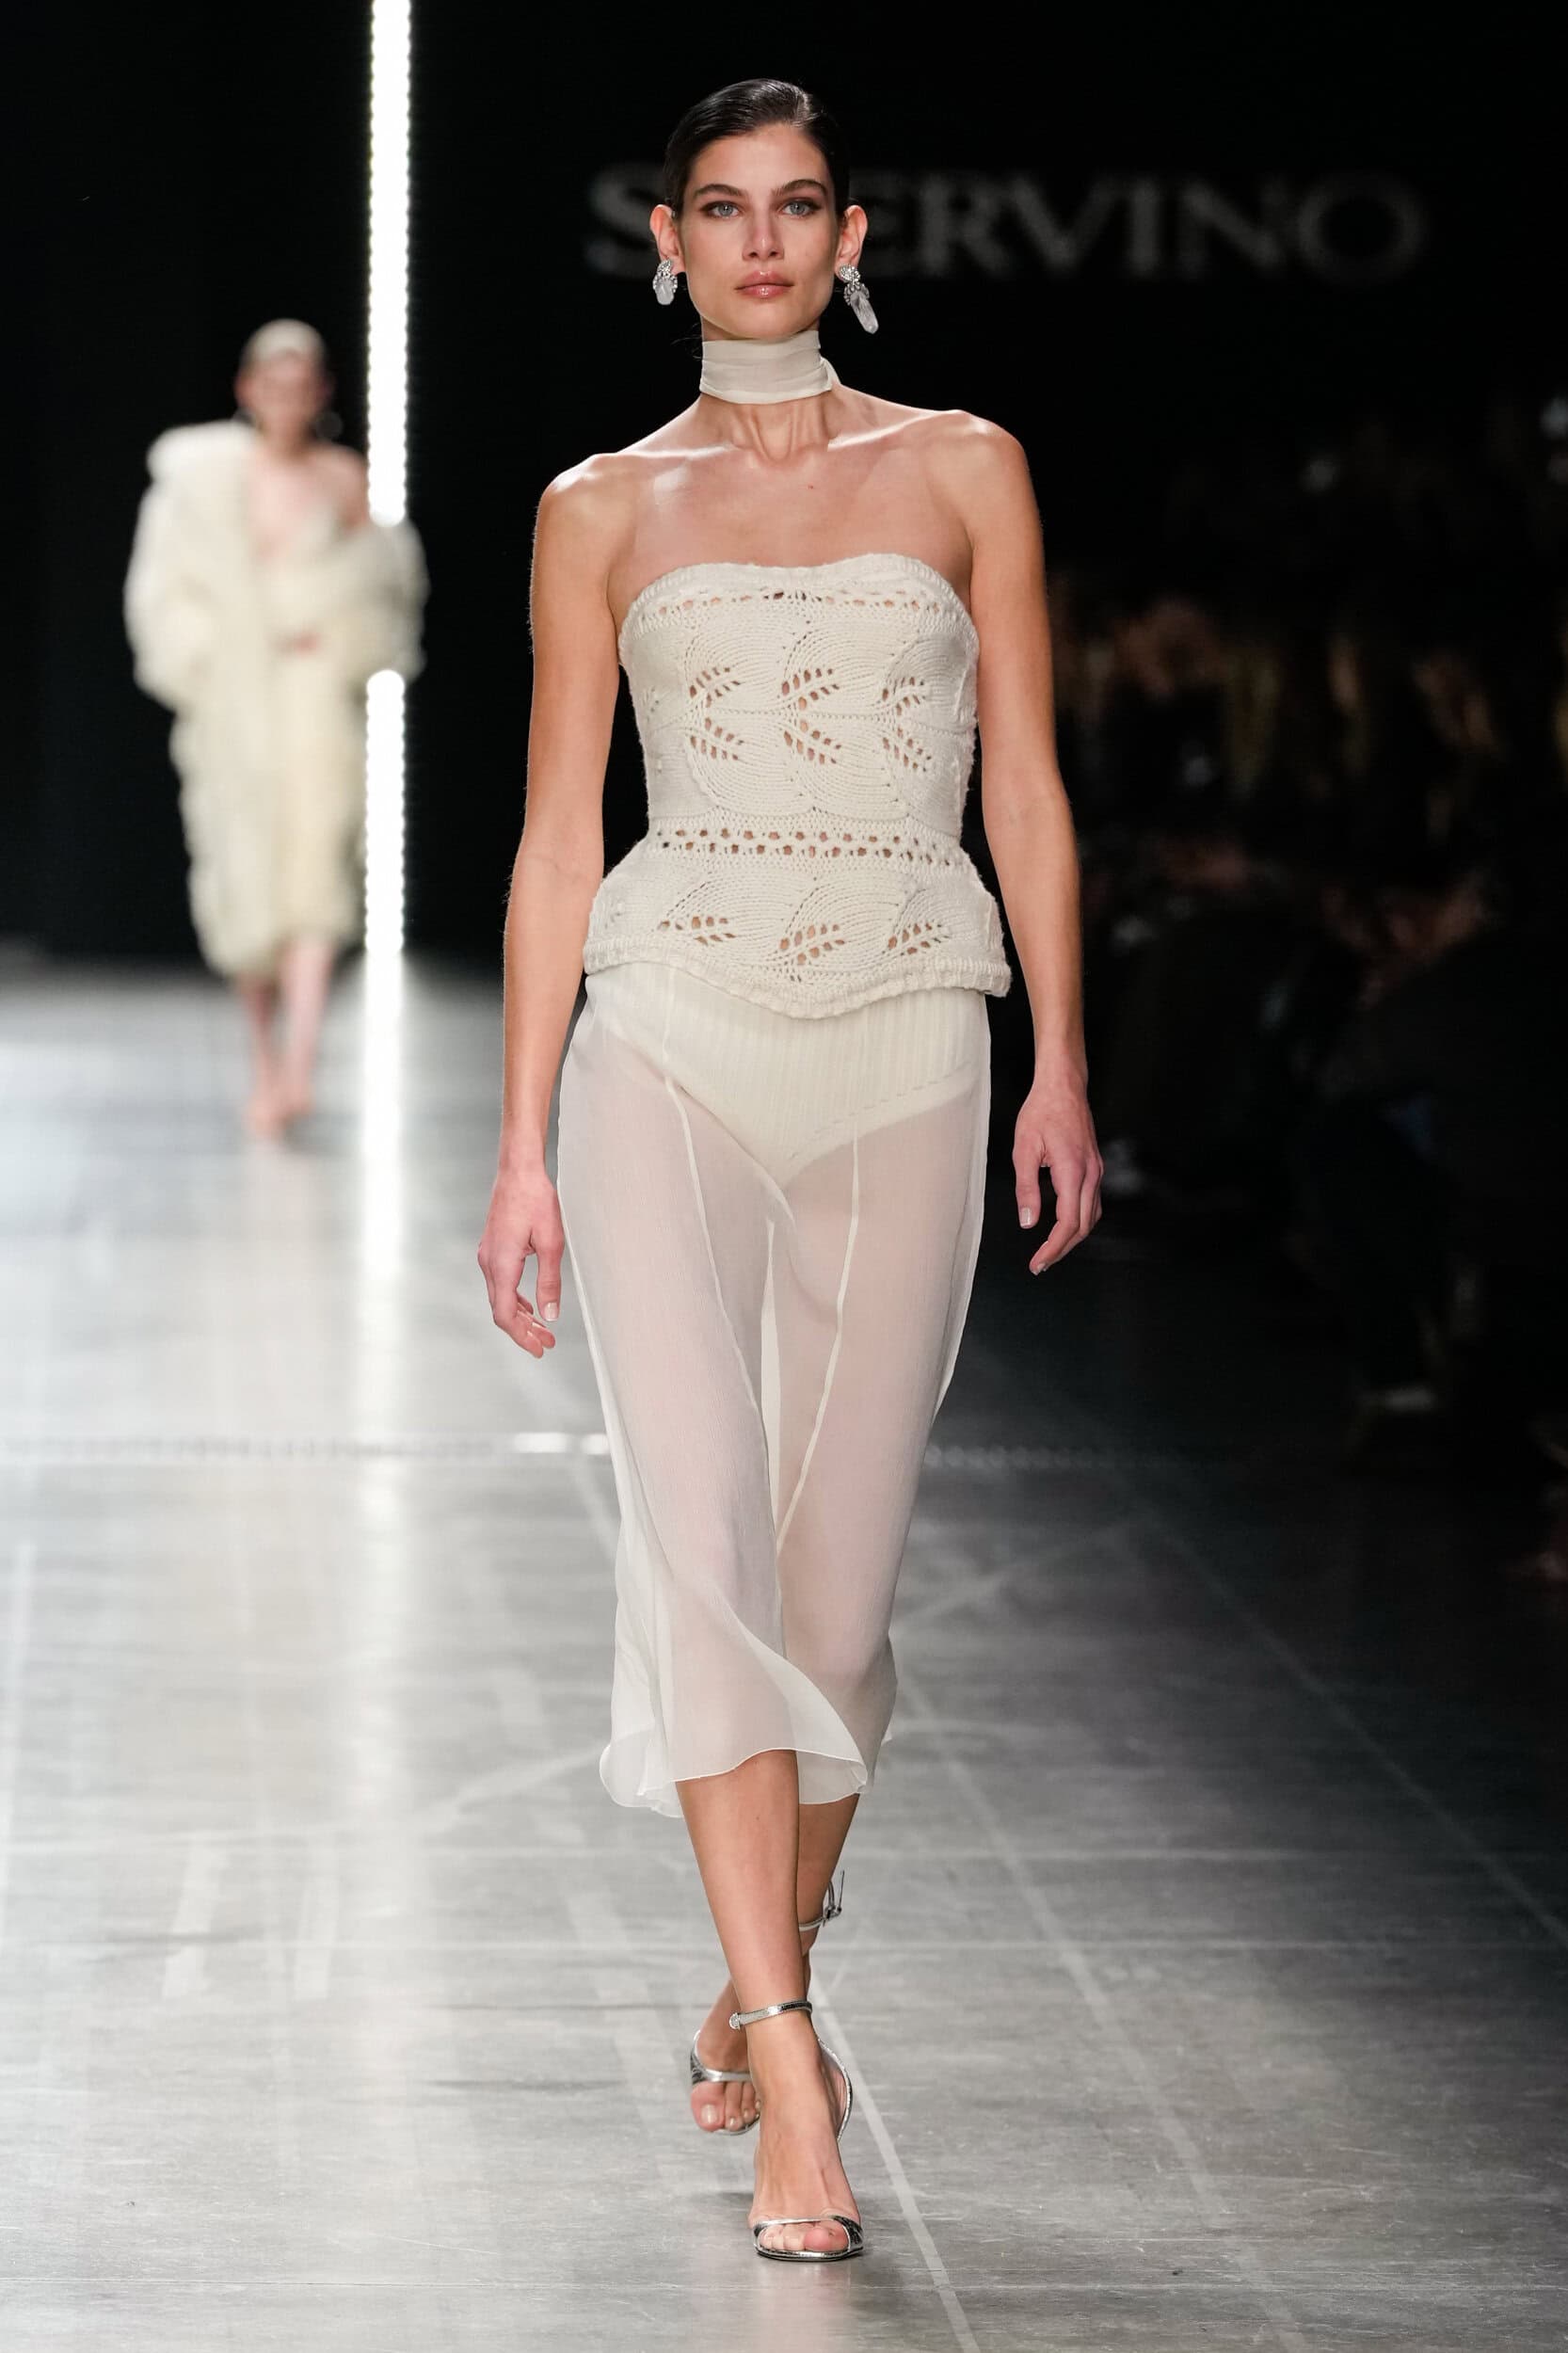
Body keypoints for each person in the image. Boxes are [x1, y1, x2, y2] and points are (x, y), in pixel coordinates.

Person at [476, 79, 1101, 2264]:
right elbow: (558, 831)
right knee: (704, 1549)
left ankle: (765, 1965)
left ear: (851, 236)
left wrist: (1061, 1065)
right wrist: (519, 1140)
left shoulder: (965, 467)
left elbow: (1026, 785)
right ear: (666, 238)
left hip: (914, 1026)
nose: (760, 238)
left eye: (797, 204)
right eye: (722, 207)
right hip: (665, 1031)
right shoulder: (597, 506)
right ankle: (788, 2051)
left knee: (835, 1599)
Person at [126, 320, 425, 1135]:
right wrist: (210, 657)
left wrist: (340, 642)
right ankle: (263, 1058)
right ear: (247, 389)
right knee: (243, 873)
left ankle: (298, 1067)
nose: (288, 398)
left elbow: (386, 586)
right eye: (274, 383)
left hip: (313, 702)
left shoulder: (341, 477)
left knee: (317, 870)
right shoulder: (202, 483)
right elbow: (162, 593)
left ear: (321, 393)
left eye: (302, 385)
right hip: (234, 704)